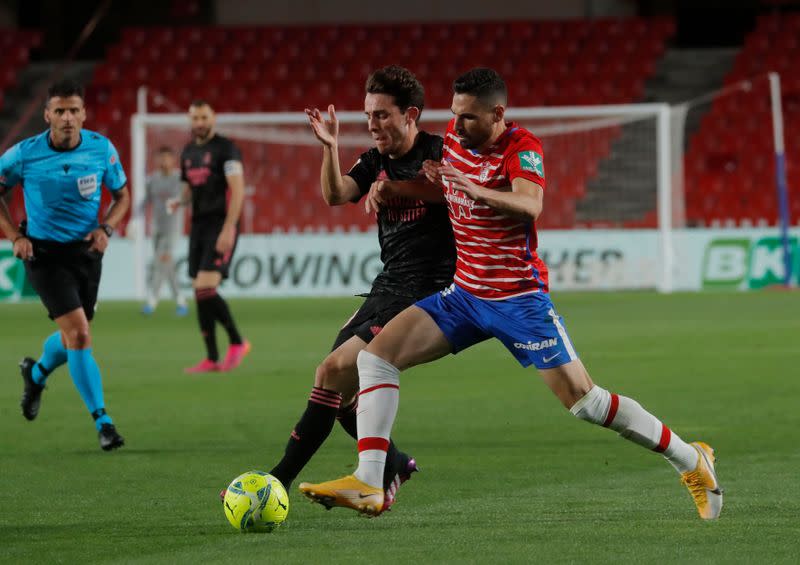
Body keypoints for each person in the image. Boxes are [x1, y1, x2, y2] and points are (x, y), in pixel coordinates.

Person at [299, 68, 723, 520]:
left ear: (498, 113)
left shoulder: (523, 148)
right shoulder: (456, 142)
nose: (457, 129)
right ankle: (370, 479)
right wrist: (403, 185)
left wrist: (473, 188)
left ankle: (689, 459)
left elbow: (529, 204)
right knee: (374, 358)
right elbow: (442, 190)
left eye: (469, 119)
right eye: (455, 117)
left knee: (586, 401)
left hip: (518, 300)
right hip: (463, 295)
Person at [263, 66, 456, 512]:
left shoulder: (441, 152)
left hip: (429, 291)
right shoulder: (373, 160)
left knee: (331, 371)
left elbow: (455, 193)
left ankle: (277, 481)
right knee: (339, 392)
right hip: (386, 287)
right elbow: (335, 194)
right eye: (368, 115)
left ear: (411, 115)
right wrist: (330, 149)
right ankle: (396, 462)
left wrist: (396, 188)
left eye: (382, 115)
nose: (373, 124)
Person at [0, 79, 130, 450]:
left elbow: (122, 196)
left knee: (74, 333)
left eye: (74, 110)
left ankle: (36, 372)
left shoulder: (101, 149)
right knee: (81, 334)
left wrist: (107, 227)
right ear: (47, 116)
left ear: (84, 114)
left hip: (86, 253)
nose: (68, 118)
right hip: (43, 255)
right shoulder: (23, 155)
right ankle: (103, 422)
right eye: (60, 111)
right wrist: (15, 237)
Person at [167, 100, 249, 373]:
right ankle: (212, 358)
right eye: (195, 118)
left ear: (213, 118)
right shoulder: (188, 152)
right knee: (199, 292)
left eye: (204, 117)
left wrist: (229, 228)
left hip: (221, 223)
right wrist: (178, 201)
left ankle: (237, 342)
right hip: (198, 227)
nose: (200, 122)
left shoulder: (226, 149)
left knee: (205, 288)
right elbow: (188, 188)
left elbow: (237, 191)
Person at [140, 145, 187, 316]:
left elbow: (187, 200)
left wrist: (178, 202)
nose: (164, 161)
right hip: (157, 228)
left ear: (173, 160)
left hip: (172, 229)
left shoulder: (180, 179)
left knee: (160, 262)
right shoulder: (153, 180)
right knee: (167, 266)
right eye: (161, 157)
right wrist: (134, 220)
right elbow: (145, 202)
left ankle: (152, 301)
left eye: (167, 157)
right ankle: (181, 300)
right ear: (157, 160)